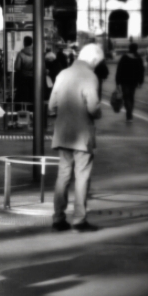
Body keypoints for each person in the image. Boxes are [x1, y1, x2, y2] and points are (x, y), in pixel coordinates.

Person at [49, 43, 104, 233]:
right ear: (94, 60)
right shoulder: (90, 76)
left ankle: (58, 218)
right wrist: (98, 113)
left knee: (63, 175)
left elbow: (52, 106)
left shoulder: (62, 74)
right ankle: (79, 220)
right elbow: (93, 108)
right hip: (82, 135)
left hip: (63, 133)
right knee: (82, 176)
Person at [115, 43, 144, 122]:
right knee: (131, 97)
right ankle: (129, 113)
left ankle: (129, 114)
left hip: (124, 81)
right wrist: (140, 81)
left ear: (129, 48)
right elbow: (141, 71)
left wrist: (117, 82)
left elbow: (119, 69)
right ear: (136, 48)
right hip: (134, 81)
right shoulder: (138, 58)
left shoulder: (124, 57)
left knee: (126, 97)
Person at [14, 36, 34, 110]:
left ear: (24, 42)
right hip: (33, 79)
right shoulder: (36, 53)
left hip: (23, 79)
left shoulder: (21, 54)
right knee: (32, 97)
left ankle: (22, 113)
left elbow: (17, 67)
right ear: (32, 43)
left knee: (22, 97)